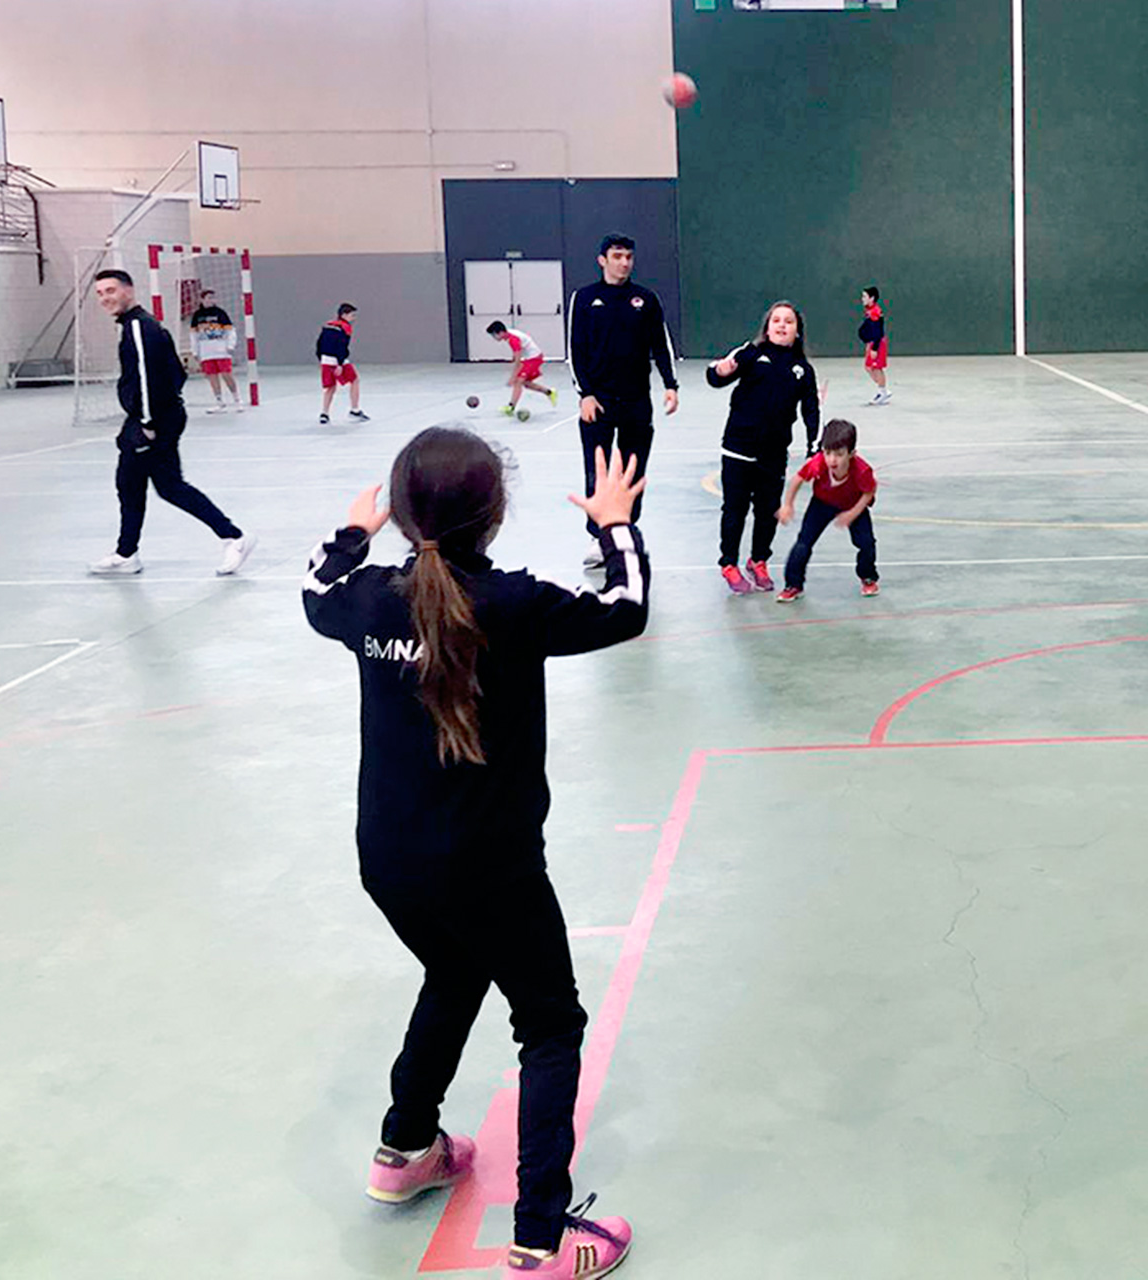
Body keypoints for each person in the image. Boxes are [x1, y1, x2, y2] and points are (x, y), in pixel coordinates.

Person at [302, 429, 650, 1280]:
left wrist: (352, 535)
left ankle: (404, 1149)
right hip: (489, 868)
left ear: (403, 511)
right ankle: (538, 1238)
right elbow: (629, 608)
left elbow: (313, 589)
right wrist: (615, 527)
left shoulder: (368, 599)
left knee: (454, 974)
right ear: (494, 515)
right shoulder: (515, 604)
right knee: (550, 1023)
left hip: (387, 859)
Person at [86, 269, 255, 577]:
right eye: (99, 293)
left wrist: (148, 421)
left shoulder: (139, 327)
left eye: (110, 291)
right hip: (154, 417)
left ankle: (233, 536)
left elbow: (149, 378)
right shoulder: (141, 325)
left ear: (128, 290)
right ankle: (126, 553)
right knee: (129, 483)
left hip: (151, 421)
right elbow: (177, 372)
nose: (104, 298)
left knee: (169, 486)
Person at [567, 233, 679, 568]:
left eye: (628, 256)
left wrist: (670, 385)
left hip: (636, 402)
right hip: (597, 402)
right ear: (602, 260)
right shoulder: (585, 299)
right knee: (597, 471)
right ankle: (597, 537)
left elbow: (661, 344)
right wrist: (584, 394)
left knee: (633, 470)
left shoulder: (646, 299)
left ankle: (627, 529)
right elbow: (575, 351)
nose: (624, 262)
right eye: (617, 256)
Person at [708, 301, 821, 594]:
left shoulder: (803, 370)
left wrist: (814, 447)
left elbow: (811, 410)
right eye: (776, 321)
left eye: (789, 322)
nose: (782, 325)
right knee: (735, 509)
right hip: (738, 447)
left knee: (767, 510)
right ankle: (728, 564)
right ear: (767, 327)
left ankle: (758, 560)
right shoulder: (750, 353)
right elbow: (716, 376)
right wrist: (720, 371)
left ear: (797, 331)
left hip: (773, 453)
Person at [775, 417, 879, 601]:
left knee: (866, 543)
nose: (832, 459)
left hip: (852, 503)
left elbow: (869, 492)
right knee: (803, 543)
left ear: (852, 453)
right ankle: (793, 585)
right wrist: (787, 505)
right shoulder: (819, 463)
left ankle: (868, 576)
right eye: (828, 452)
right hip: (822, 503)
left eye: (839, 454)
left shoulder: (862, 470)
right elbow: (797, 479)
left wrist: (852, 514)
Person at [487, 320, 559, 416]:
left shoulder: (513, 339)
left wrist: (513, 377)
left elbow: (518, 362)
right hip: (530, 357)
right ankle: (549, 392)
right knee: (526, 384)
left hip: (534, 358)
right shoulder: (508, 335)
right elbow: (517, 353)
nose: (494, 338)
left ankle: (511, 407)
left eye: (494, 335)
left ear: (500, 332)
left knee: (518, 381)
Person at [188, 287, 240, 411]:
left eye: (213, 298)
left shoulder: (220, 313)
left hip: (221, 351)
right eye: (209, 298)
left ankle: (237, 399)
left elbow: (230, 330)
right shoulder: (197, 315)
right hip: (206, 352)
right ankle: (219, 401)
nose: (212, 300)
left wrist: (230, 345)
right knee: (212, 376)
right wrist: (195, 351)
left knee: (227, 374)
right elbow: (193, 335)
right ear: (202, 300)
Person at [318, 303, 368, 424]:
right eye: (352, 315)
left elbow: (319, 344)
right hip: (339, 361)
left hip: (325, 360)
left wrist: (321, 359)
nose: (353, 318)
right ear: (344, 315)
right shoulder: (345, 328)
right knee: (355, 380)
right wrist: (339, 364)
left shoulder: (328, 326)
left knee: (330, 387)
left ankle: (324, 413)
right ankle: (355, 410)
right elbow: (341, 347)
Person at [860, 285, 891, 405]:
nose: (862, 299)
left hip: (877, 343)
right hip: (872, 342)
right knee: (869, 367)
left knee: (876, 368)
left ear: (871, 298)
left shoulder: (875, 312)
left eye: (864, 296)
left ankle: (882, 392)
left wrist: (875, 348)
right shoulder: (870, 310)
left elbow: (878, 331)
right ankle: (883, 390)